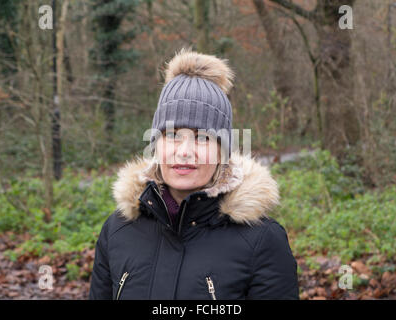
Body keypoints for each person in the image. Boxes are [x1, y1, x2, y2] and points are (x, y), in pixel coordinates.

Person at [89, 47, 299, 300]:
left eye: (202, 138)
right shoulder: (117, 231)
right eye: (173, 135)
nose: (185, 152)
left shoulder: (262, 241)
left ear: (222, 152)